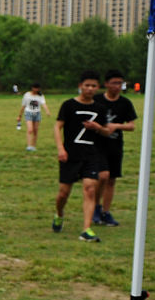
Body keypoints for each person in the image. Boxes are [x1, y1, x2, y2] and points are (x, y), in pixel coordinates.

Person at [52, 70, 108, 242]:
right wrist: (61, 149)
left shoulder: (100, 108)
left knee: (90, 189)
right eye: (87, 85)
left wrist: (97, 127)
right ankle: (59, 214)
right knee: (63, 194)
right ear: (80, 86)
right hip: (70, 155)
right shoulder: (69, 105)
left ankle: (86, 229)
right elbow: (57, 127)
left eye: (94, 86)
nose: (90, 89)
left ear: (98, 87)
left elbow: (106, 131)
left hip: (91, 155)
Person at [91, 69, 136, 227]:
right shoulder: (96, 100)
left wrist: (116, 126)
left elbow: (132, 126)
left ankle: (105, 212)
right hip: (98, 145)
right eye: (114, 83)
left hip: (115, 145)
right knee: (102, 176)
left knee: (111, 180)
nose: (117, 86)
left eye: (120, 83)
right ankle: (95, 207)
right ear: (106, 84)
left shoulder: (125, 103)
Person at [15, 82, 50, 151]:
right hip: (28, 113)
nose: (36, 89)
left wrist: (47, 111)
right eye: (35, 88)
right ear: (32, 88)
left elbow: (44, 104)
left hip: (37, 114)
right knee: (30, 130)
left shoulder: (40, 96)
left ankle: (33, 146)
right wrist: (19, 116)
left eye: (37, 88)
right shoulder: (27, 95)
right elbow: (23, 105)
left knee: (35, 130)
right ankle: (29, 146)